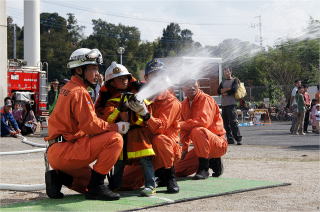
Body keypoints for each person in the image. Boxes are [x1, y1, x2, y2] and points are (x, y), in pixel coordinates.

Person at [44, 48, 130, 201]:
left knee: (86, 185)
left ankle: (59, 177)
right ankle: (97, 188)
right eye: (93, 68)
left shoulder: (68, 88)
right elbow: (90, 125)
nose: (97, 73)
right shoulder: (80, 92)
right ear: (79, 69)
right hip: (68, 150)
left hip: (57, 152)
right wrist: (116, 127)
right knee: (115, 139)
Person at [95, 61, 156, 196]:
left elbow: (146, 115)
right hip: (122, 136)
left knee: (146, 160)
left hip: (138, 135)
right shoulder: (111, 100)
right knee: (119, 162)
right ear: (111, 82)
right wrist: (119, 110)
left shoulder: (138, 94)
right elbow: (108, 118)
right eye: (120, 79)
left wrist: (141, 112)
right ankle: (115, 186)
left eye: (125, 78)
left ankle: (151, 186)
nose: (124, 81)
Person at [121, 59, 181, 193]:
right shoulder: (142, 97)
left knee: (159, 139)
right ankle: (157, 175)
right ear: (146, 78)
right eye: (154, 75)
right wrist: (125, 108)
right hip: (146, 151)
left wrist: (145, 114)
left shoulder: (171, 101)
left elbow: (161, 128)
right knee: (125, 182)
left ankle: (169, 175)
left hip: (165, 150)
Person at [174, 79, 227, 179]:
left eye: (194, 84)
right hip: (202, 147)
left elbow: (203, 122)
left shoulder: (206, 99)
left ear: (198, 85)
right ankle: (213, 160)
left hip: (218, 143)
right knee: (177, 169)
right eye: (188, 84)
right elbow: (184, 130)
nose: (192, 87)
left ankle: (204, 168)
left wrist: (180, 124)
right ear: (182, 88)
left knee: (197, 130)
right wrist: (184, 150)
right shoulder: (183, 104)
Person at [217, 67, 242, 145]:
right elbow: (218, 91)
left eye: (227, 71)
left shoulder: (235, 80)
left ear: (231, 72)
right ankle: (230, 139)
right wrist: (228, 89)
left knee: (233, 122)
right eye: (225, 72)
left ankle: (238, 139)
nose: (226, 73)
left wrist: (225, 91)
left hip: (231, 104)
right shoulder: (223, 82)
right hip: (224, 105)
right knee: (226, 123)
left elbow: (234, 90)